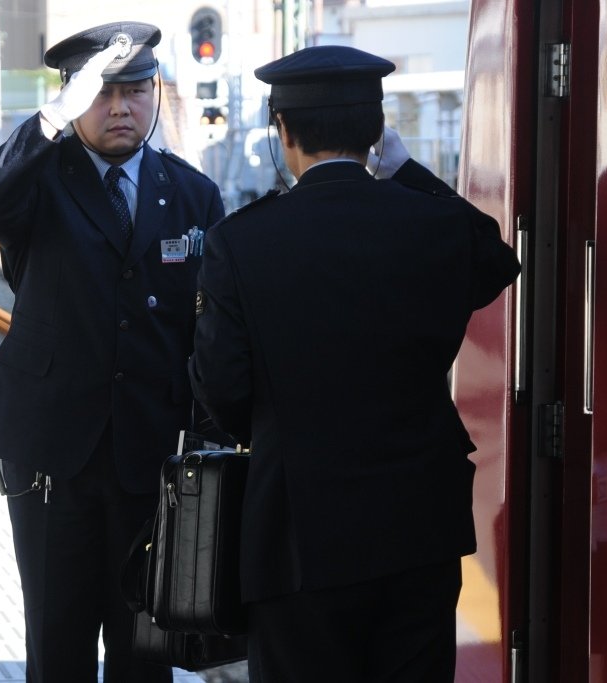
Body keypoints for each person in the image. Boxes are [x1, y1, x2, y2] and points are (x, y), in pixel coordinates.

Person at [187, 45, 521, 683]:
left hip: (296, 535)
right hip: (417, 530)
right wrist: (414, 176)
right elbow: (498, 260)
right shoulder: (434, 226)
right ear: (377, 132)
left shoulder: (242, 242)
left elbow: (221, 388)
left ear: (281, 131)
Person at [0, 21, 224, 683]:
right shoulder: (39, 184)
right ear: (75, 100)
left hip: (151, 462)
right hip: (53, 460)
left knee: (144, 651)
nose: (119, 108)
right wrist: (49, 117)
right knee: (58, 642)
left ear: (154, 94)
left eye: (135, 90)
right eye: (101, 94)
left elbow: (213, 331)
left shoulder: (193, 195)